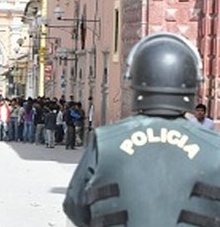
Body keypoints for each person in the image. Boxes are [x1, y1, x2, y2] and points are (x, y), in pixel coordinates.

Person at [63, 32, 220, 226]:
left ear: (134, 81)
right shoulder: (214, 147)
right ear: (192, 84)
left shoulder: (106, 141)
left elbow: (74, 204)